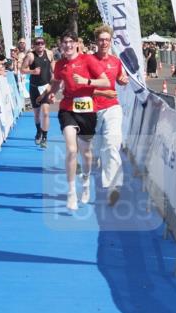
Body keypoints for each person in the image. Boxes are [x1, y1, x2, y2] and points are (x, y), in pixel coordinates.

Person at [45, 30, 110, 211]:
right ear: (61, 45)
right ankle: (71, 192)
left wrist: (86, 81)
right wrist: (50, 93)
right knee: (72, 149)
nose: (67, 45)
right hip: (67, 108)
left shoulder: (88, 60)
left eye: (70, 42)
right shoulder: (59, 64)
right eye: (64, 42)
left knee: (86, 153)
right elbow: (57, 82)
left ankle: (86, 181)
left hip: (87, 109)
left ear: (76, 44)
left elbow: (105, 82)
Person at [91, 25, 130, 206]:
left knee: (112, 143)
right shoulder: (87, 61)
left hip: (112, 108)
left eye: (107, 39)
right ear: (96, 41)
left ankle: (114, 187)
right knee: (95, 150)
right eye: (101, 39)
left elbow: (121, 80)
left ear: (110, 41)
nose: (104, 42)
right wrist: (102, 92)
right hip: (91, 109)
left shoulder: (115, 61)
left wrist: (123, 81)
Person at [22, 37, 54, 148]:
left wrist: (53, 83)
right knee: (36, 114)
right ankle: (38, 131)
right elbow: (22, 69)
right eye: (37, 43)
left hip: (46, 88)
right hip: (34, 88)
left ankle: (45, 137)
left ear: (45, 44)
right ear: (34, 45)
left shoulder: (49, 53)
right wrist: (32, 71)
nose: (40, 45)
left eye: (42, 43)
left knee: (45, 112)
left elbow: (53, 70)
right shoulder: (30, 56)